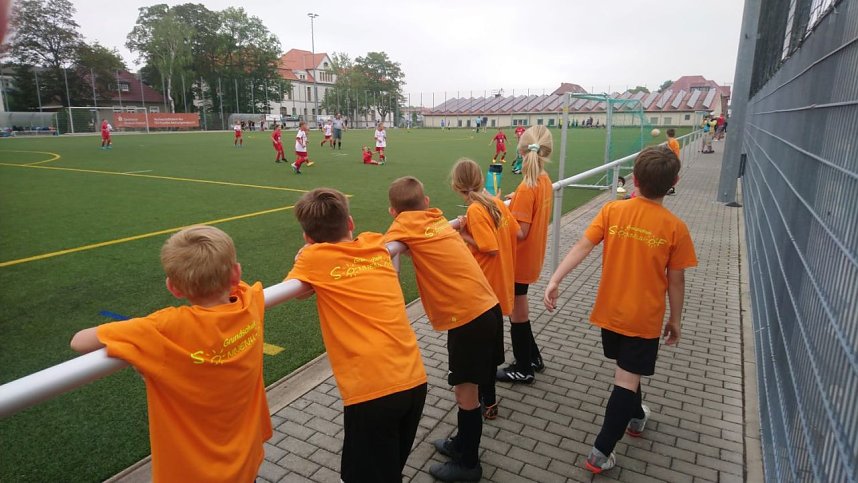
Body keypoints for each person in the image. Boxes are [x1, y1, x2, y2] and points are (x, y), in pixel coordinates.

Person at [69, 225, 272, 482]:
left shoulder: (165, 327)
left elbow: (79, 341)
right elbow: (240, 286)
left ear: (173, 288)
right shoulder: (249, 302)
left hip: (194, 474)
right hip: (247, 460)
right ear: (236, 273)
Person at [543, 146, 697, 474]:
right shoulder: (676, 228)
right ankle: (601, 452)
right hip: (643, 320)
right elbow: (676, 282)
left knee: (628, 371)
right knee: (626, 380)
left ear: (636, 179)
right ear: (675, 181)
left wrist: (555, 278)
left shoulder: (613, 211)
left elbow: (582, 246)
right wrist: (676, 319)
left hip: (609, 314)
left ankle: (637, 417)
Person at [286, 188, 428, 482]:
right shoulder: (375, 244)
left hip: (373, 391)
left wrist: (307, 252)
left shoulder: (313, 259)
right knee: (389, 469)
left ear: (307, 238)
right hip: (414, 379)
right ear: (350, 223)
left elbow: (298, 294)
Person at [384, 176, 501, 482]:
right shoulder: (435, 218)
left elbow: (381, 245)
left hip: (469, 318)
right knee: (468, 387)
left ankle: (468, 464)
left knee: (466, 393)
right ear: (425, 202)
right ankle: (462, 442)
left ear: (393, 213)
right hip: (485, 309)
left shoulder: (404, 225)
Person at [450, 158, 521, 421]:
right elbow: (515, 232)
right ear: (480, 179)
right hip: (499, 285)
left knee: (482, 355)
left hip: (483, 293)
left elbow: (488, 246)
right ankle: (489, 402)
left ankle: (486, 403)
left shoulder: (476, 211)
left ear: (457, 185)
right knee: (491, 350)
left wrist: (462, 234)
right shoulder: (497, 203)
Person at [496, 125, 554, 384]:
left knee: (517, 312)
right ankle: (533, 358)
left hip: (519, 259)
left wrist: (498, 208)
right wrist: (512, 201)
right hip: (531, 257)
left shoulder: (527, 186)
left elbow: (519, 231)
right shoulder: (544, 179)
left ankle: (523, 368)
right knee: (520, 308)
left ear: (521, 150)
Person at [665, 128, 680, 195]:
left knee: (670, 175)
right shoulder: (674, 140)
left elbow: (671, 151)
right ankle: (671, 188)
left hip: (673, 160)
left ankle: (671, 189)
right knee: (671, 174)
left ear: (667, 134)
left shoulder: (671, 141)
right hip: (675, 159)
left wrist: (666, 147)